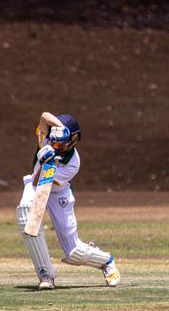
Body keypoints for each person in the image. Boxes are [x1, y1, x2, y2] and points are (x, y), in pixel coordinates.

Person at [16, 112, 121, 290]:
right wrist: (58, 128)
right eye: (54, 140)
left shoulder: (73, 163)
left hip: (57, 193)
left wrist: (45, 162)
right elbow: (44, 117)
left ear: (72, 141)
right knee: (27, 217)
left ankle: (105, 261)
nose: (55, 145)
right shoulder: (46, 139)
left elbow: (45, 183)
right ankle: (45, 275)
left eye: (61, 143)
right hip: (34, 187)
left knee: (74, 253)